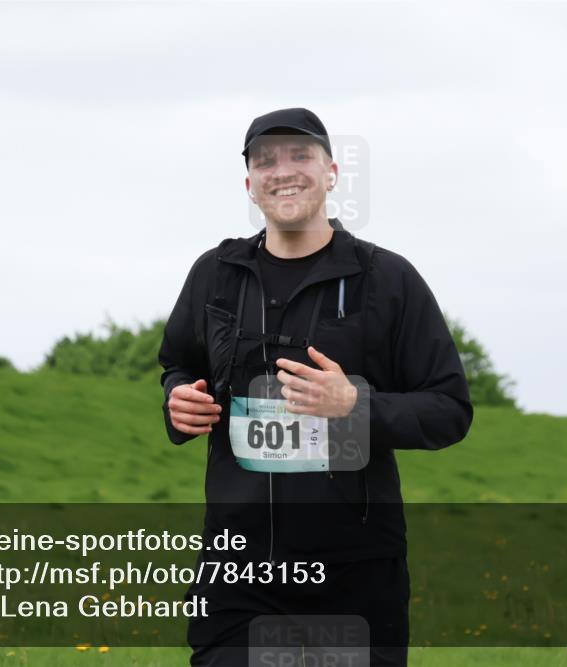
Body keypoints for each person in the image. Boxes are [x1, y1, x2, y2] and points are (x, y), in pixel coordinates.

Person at [158, 107, 473, 666]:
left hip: (354, 573)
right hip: (238, 568)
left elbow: (449, 408)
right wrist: (178, 402)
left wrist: (355, 405)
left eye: (300, 155)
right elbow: (178, 367)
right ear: (249, 183)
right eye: (265, 160)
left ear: (331, 171)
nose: (283, 171)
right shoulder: (216, 274)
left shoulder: (387, 279)